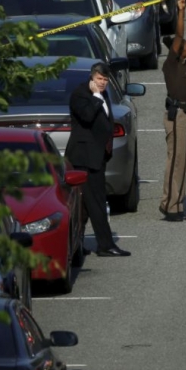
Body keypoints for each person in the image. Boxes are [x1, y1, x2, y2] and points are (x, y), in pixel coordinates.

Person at [65, 62, 131, 257]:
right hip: (84, 158)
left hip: (97, 156)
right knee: (97, 202)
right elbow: (86, 117)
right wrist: (95, 97)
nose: (102, 83)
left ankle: (75, 244)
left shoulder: (103, 93)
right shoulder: (81, 95)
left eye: (105, 80)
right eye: (99, 79)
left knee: (85, 205)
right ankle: (105, 245)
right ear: (92, 78)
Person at [159, 0, 186, 222]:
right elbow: (180, 35)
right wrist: (181, 11)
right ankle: (170, 206)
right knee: (176, 159)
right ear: (178, 49)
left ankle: (176, 203)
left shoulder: (182, 64)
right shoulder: (171, 62)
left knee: (182, 160)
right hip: (177, 117)